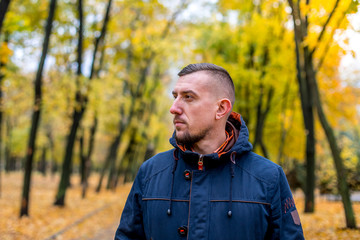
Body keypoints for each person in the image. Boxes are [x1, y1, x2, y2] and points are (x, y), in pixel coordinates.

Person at [114, 63, 305, 240]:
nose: (174, 108)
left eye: (188, 97)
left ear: (221, 108)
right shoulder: (150, 172)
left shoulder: (268, 178)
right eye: (175, 97)